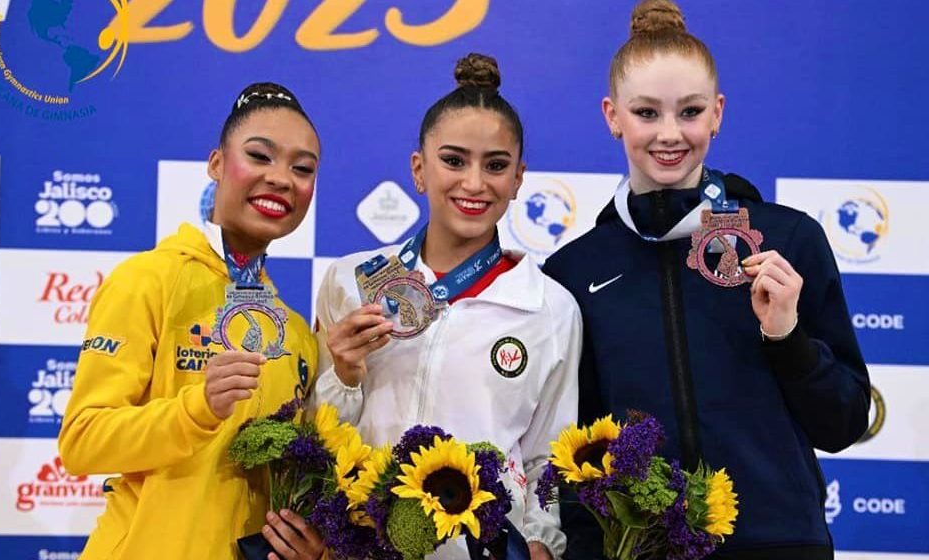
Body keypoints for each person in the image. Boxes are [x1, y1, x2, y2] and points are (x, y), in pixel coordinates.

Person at [543, 1, 871, 558]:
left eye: (689, 111)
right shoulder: (575, 271)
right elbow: (571, 450)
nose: (669, 134)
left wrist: (787, 337)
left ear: (717, 113)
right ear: (611, 115)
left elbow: (843, 424)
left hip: (775, 543)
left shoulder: (786, 241)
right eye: (646, 113)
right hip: (636, 548)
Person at [312, 53, 581, 559]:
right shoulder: (350, 281)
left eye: (496, 165)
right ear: (419, 169)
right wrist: (344, 375)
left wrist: (544, 541)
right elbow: (318, 432)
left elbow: (547, 457)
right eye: (453, 160)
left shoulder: (551, 307)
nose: (474, 184)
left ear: (519, 179)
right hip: (359, 547)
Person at [59, 82, 325, 560]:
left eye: (302, 168)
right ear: (217, 164)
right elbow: (82, 442)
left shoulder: (296, 332)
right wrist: (196, 408)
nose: (282, 178)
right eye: (260, 156)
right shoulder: (148, 281)